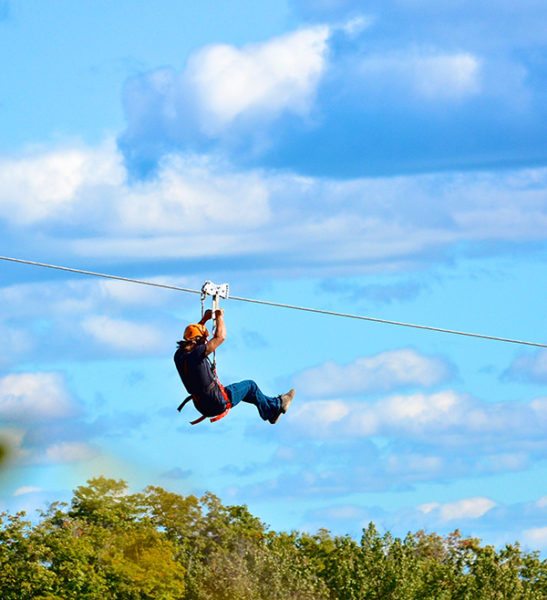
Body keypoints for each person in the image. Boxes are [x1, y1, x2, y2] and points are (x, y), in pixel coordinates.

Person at [174, 308, 294, 424]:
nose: (206, 343)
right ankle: (274, 407)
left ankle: (273, 409)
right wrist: (220, 317)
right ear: (196, 342)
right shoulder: (197, 354)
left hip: (202, 405)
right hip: (217, 401)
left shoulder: (179, 355)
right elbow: (220, 337)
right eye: (203, 341)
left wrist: (205, 319)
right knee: (251, 386)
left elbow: (195, 335)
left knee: (250, 393)